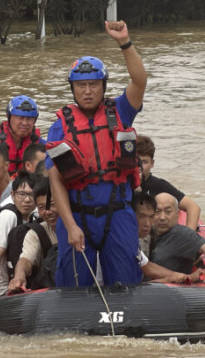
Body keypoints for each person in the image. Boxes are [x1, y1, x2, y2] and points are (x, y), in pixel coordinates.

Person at [46, 20, 147, 288]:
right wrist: (69, 225)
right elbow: (55, 179)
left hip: (118, 213)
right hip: (78, 215)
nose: (87, 91)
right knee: (73, 286)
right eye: (81, 85)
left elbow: (140, 80)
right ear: (73, 89)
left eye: (93, 84)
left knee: (127, 284)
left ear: (103, 86)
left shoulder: (121, 111)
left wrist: (124, 42)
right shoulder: (60, 126)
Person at [0, 171, 40, 296]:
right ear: (12, 195)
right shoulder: (8, 216)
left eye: (31, 195)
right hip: (3, 289)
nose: (27, 200)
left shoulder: (35, 215)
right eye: (22, 194)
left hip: (22, 284)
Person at [149, 193, 205, 286]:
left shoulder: (182, 234)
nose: (162, 217)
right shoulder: (146, 232)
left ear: (177, 214)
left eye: (168, 211)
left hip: (170, 290)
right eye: (157, 211)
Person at [135, 135, 202, 231]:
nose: (140, 167)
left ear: (152, 163)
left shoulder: (158, 185)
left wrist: (189, 237)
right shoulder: (119, 184)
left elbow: (193, 207)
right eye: (136, 162)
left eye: (144, 162)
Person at [8, 178, 58, 293]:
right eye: (41, 207)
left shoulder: (77, 227)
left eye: (52, 204)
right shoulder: (36, 233)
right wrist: (19, 275)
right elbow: (25, 259)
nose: (48, 211)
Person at [132, 192, 194, 283]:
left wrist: (184, 277)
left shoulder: (143, 238)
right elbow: (135, 287)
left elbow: (148, 267)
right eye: (142, 216)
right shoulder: (126, 240)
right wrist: (168, 279)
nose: (147, 223)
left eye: (151, 217)